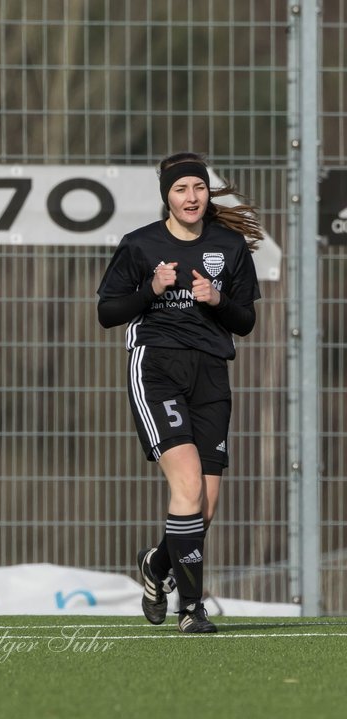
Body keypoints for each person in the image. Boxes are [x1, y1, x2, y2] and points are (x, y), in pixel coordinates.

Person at [97, 152, 263, 633]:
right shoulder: (141, 245)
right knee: (186, 485)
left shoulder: (229, 247)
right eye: (180, 190)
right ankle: (191, 609)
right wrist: (150, 289)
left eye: (198, 188)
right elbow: (108, 313)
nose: (191, 198)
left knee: (204, 507)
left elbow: (246, 322)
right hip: (157, 367)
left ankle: (156, 566)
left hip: (211, 374)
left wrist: (219, 299)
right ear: (166, 197)